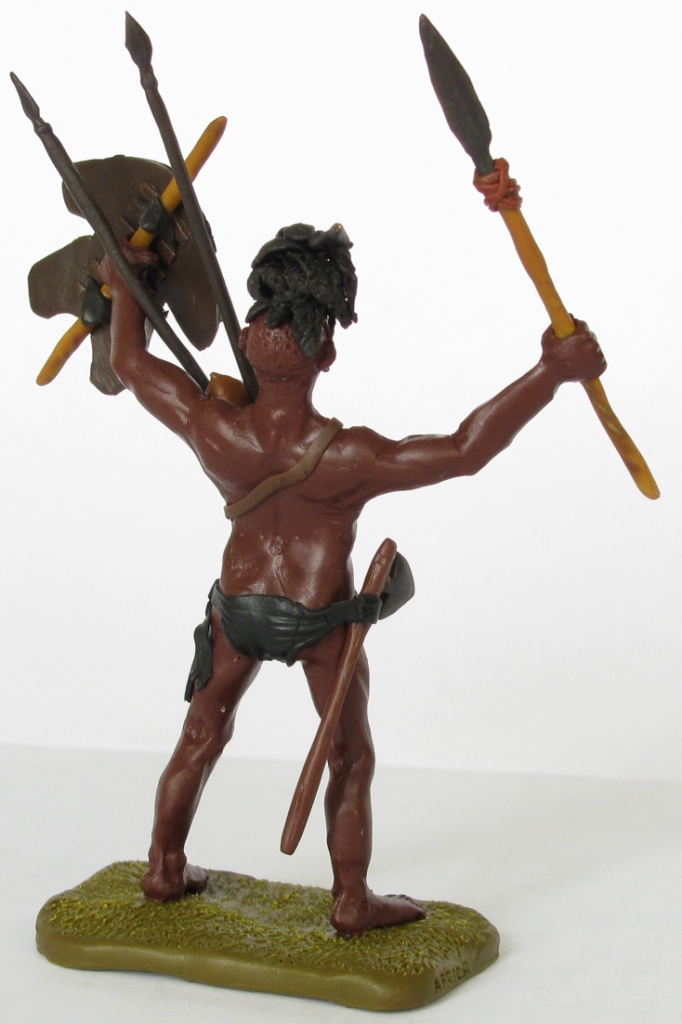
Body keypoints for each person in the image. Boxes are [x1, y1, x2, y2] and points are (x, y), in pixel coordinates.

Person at [99, 222, 606, 935]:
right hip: (319, 623)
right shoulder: (351, 458)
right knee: (350, 756)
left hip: (237, 613)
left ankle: (163, 866)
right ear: (327, 353)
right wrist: (550, 373)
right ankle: (350, 900)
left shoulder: (212, 428)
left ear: (244, 339)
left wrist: (124, 283)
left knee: (200, 732)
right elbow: (464, 450)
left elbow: (128, 361)